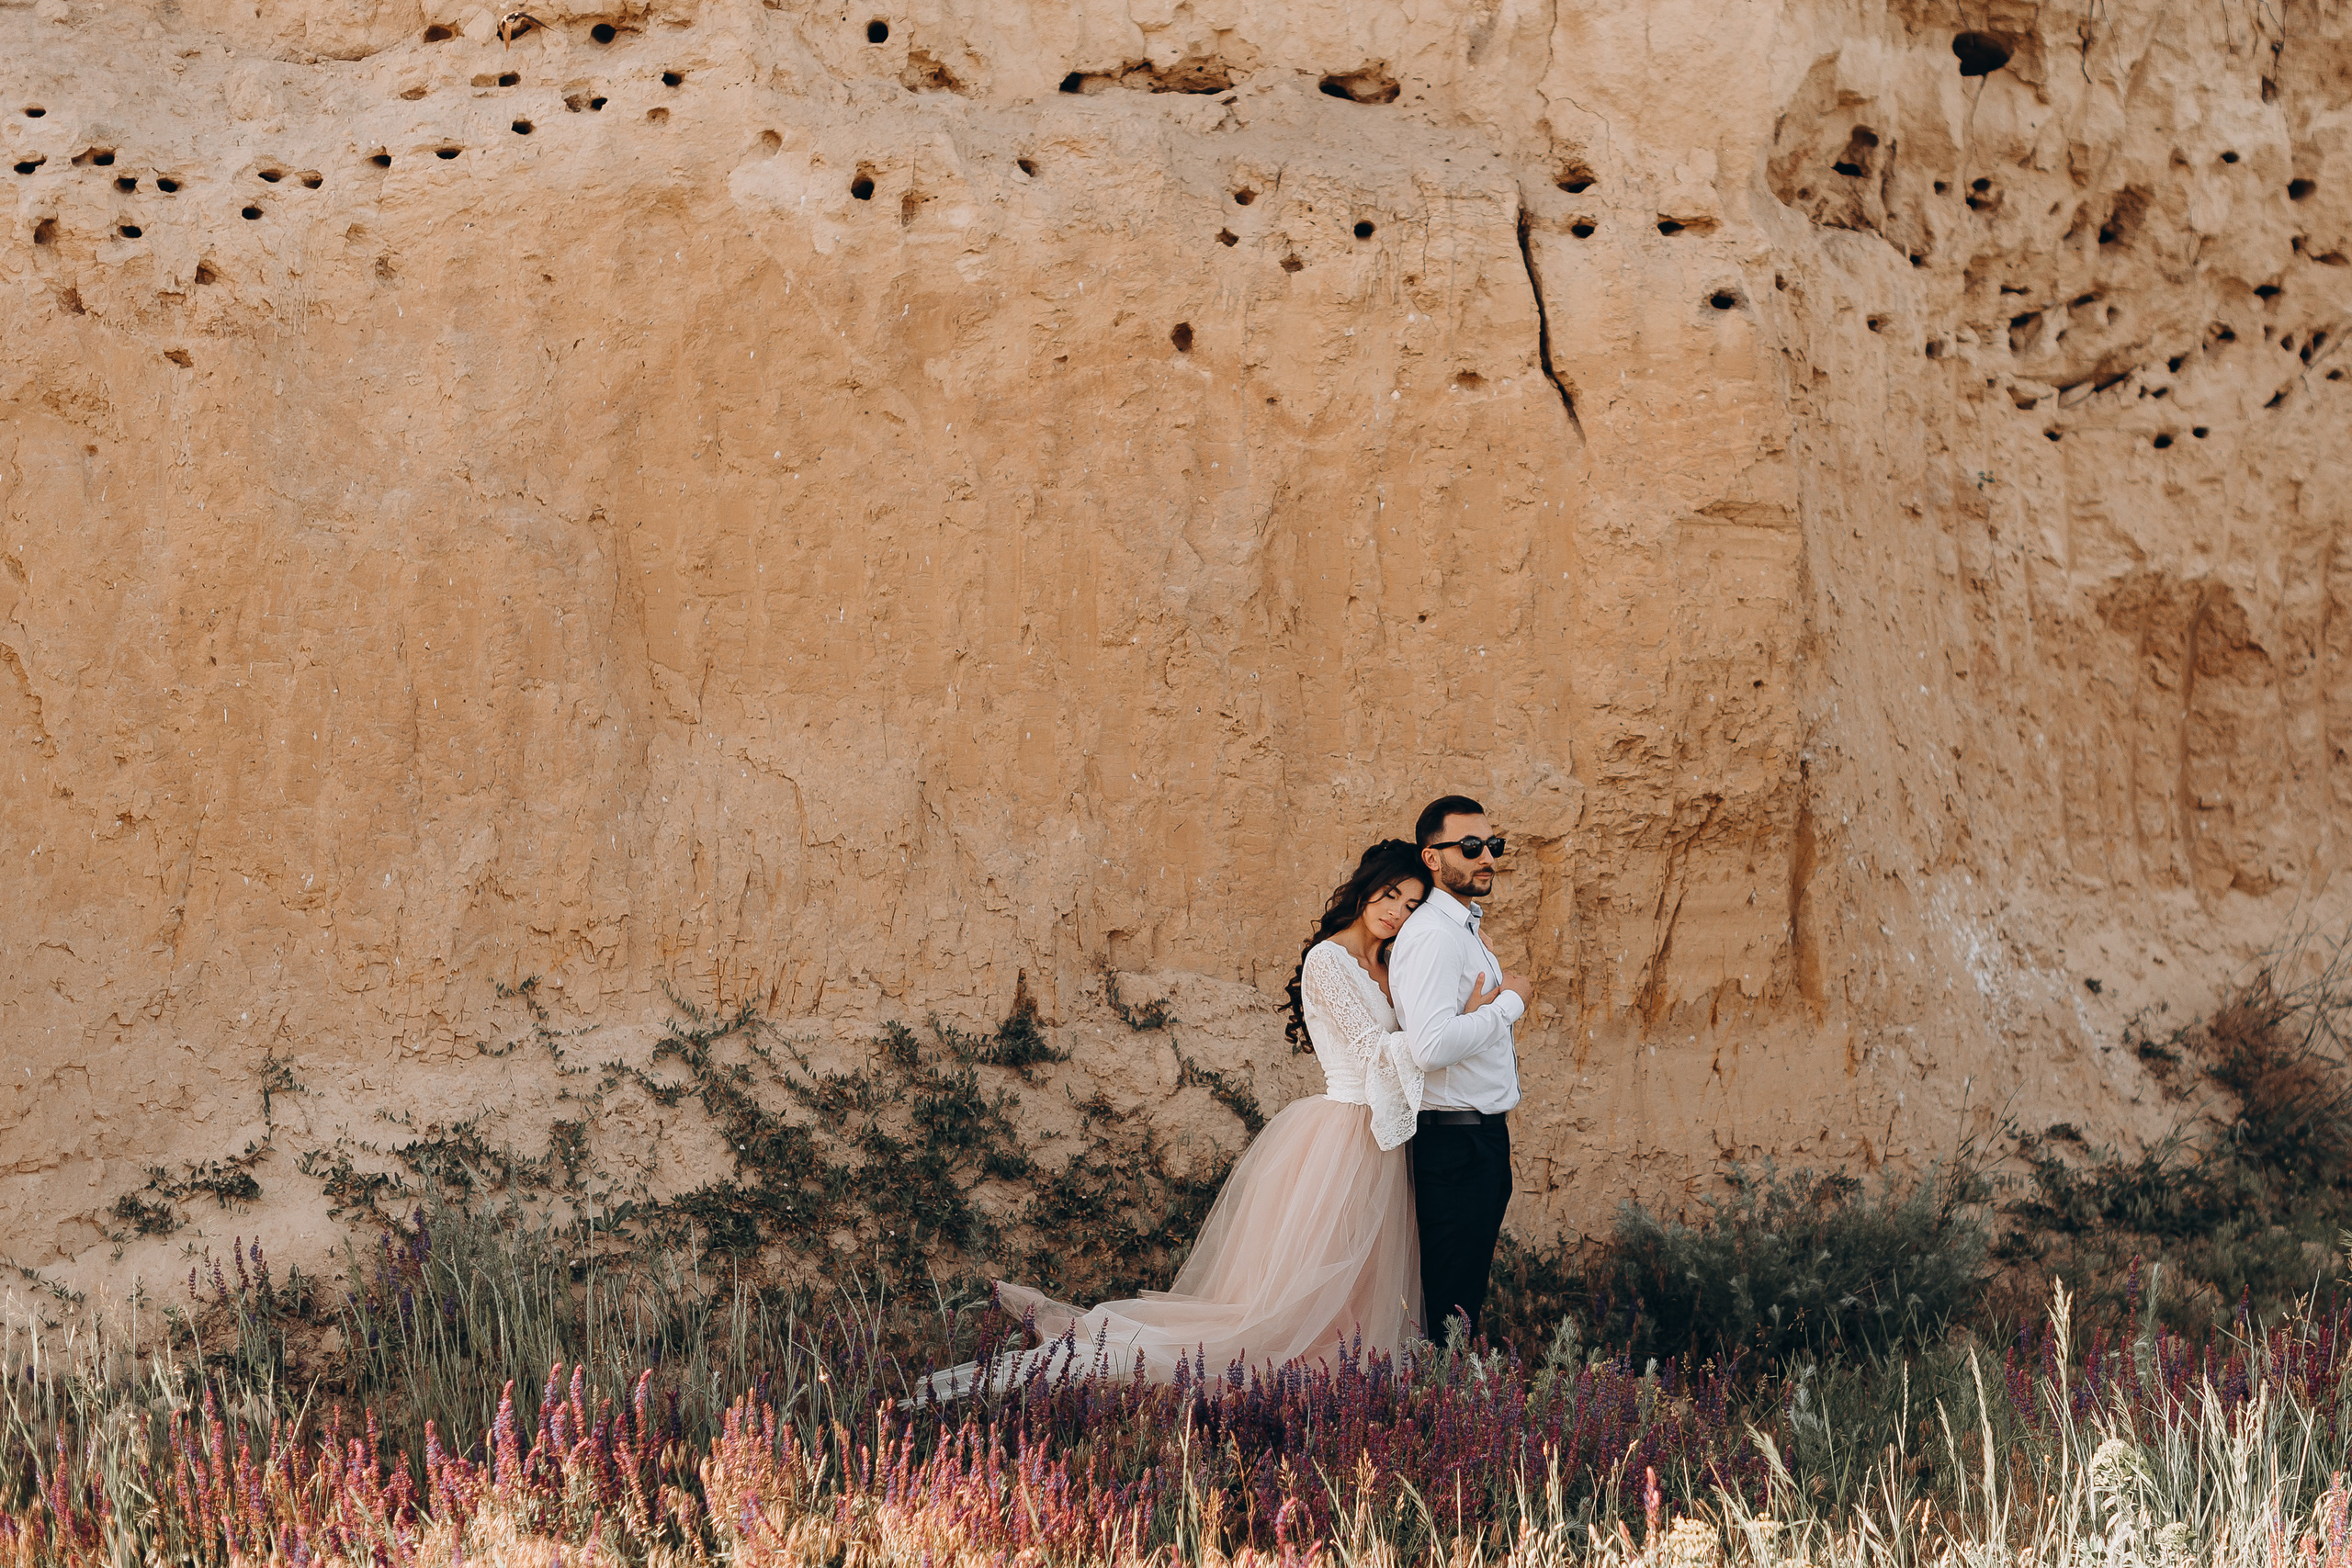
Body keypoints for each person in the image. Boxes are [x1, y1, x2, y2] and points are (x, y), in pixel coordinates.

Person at [921, 840, 1480, 1398]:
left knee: (1363, 1282)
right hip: (1338, 1137)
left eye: (1410, 906)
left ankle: (1350, 1378)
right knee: (1304, 1285)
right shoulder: (1327, 960)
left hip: (1385, 1138)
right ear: (1365, 889)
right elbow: (1371, 1053)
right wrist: (1465, 1024)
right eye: (1390, 895)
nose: (1396, 912)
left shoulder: (1388, 961)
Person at [1388, 795, 1530, 1342]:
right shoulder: (1432, 936)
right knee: (1451, 1313)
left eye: (1491, 845)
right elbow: (1429, 1046)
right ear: (1432, 857)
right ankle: (1437, 1419)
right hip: (1454, 1148)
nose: (1485, 857)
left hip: (1477, 1142)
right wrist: (1510, 1003)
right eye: (1469, 847)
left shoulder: (1461, 931)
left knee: (1461, 1304)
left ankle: (1445, 1413)